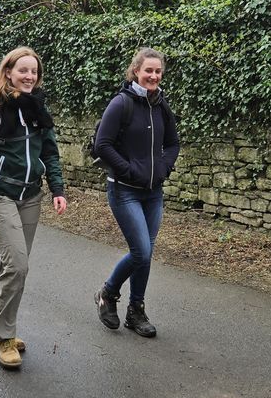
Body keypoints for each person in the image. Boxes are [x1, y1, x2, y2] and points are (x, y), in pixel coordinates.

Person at [0, 46, 67, 369]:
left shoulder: (37, 108)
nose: (29, 76)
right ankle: (6, 337)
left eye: (33, 71)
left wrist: (57, 188)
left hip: (30, 197)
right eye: (23, 70)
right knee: (18, 265)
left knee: (13, 267)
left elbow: (49, 151)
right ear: (8, 72)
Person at [92, 47, 180, 338]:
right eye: (148, 71)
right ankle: (108, 292)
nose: (153, 76)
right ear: (136, 72)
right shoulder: (121, 104)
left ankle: (136, 310)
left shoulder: (161, 105)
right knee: (141, 251)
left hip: (153, 192)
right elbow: (102, 145)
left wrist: (163, 169)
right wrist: (129, 171)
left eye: (158, 71)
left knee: (146, 252)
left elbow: (173, 144)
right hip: (124, 190)